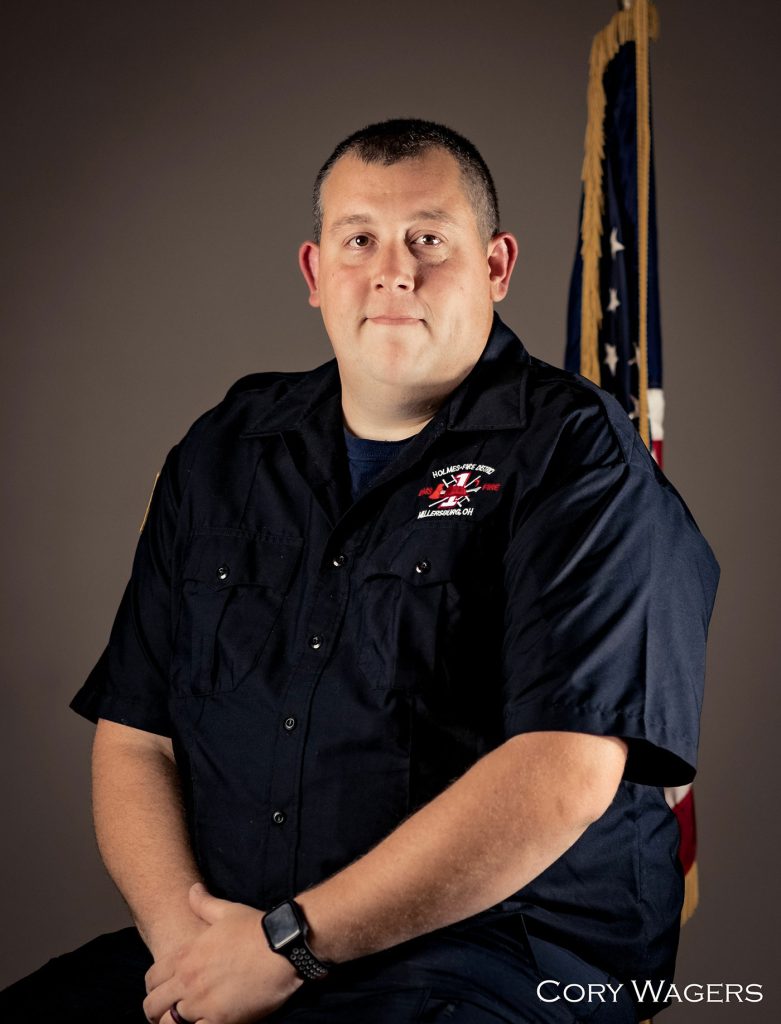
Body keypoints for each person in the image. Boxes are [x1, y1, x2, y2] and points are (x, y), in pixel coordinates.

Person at [0, 119, 719, 1024]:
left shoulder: (579, 460)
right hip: (228, 935)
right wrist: (186, 946)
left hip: (501, 949)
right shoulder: (225, 450)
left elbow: (561, 773)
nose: (393, 270)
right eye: (359, 240)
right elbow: (136, 735)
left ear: (497, 266)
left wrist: (292, 945)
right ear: (313, 273)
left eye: (428, 238)